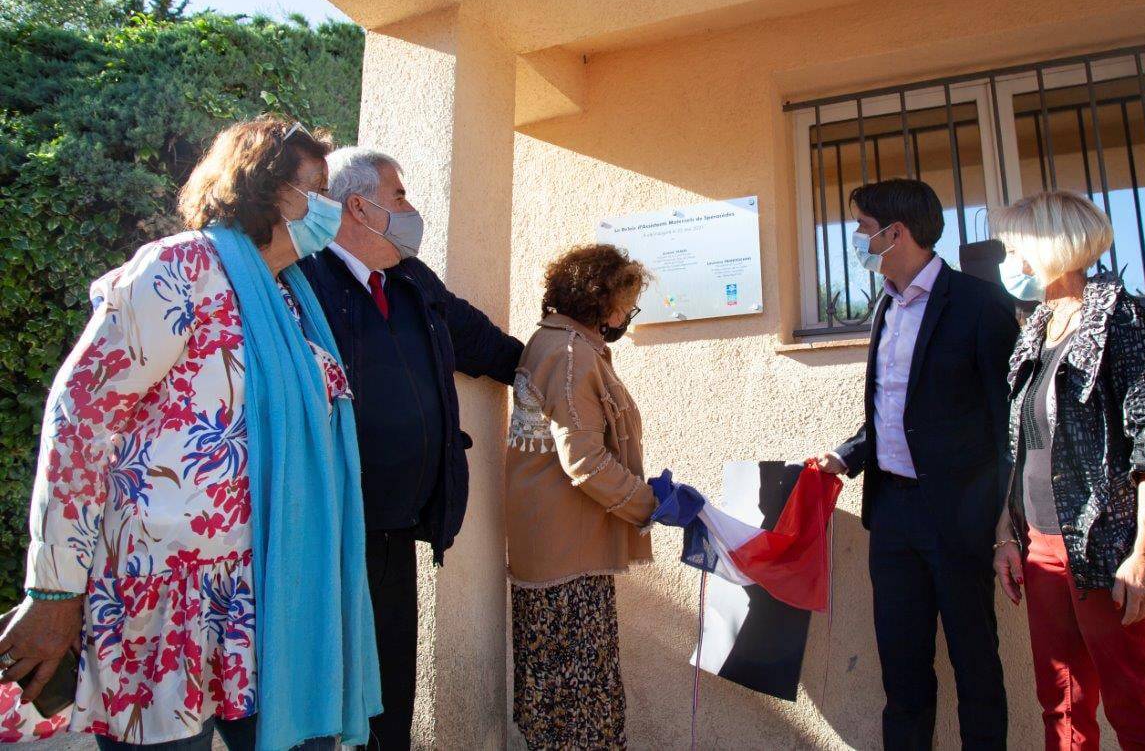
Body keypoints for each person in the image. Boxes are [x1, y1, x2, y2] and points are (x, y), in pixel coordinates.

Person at [0, 117, 382, 749]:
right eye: (317, 187)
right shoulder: (178, 270)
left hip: (267, 600)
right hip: (164, 610)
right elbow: (80, 420)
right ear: (268, 188)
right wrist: (55, 588)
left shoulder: (290, 299)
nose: (332, 208)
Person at [297, 147, 522, 751]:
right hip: (334, 531)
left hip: (396, 531)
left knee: (392, 696)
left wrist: (544, 365)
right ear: (359, 208)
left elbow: (481, 342)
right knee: (334, 703)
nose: (410, 209)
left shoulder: (411, 282)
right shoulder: (306, 281)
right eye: (399, 196)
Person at [990, 191, 1145, 751]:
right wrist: (1004, 534)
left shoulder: (1118, 316)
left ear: (1048, 245)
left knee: (1136, 706)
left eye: (1013, 245)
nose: (1007, 258)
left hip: (1106, 545)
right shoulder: (1035, 327)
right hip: (1039, 545)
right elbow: (1020, 446)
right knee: (1062, 707)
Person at [815, 178, 1018, 750]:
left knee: (976, 669)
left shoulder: (981, 306)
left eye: (861, 227)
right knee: (901, 672)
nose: (856, 238)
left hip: (961, 518)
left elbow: (1009, 424)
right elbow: (891, 408)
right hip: (894, 516)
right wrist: (848, 455)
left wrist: (1004, 524)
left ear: (894, 233)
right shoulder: (884, 304)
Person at [504, 244, 657, 750]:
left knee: (561, 710)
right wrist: (647, 502)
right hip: (566, 564)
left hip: (558, 553)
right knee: (579, 716)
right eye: (624, 303)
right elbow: (585, 460)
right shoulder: (571, 354)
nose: (625, 316)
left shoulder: (559, 345)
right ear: (600, 299)